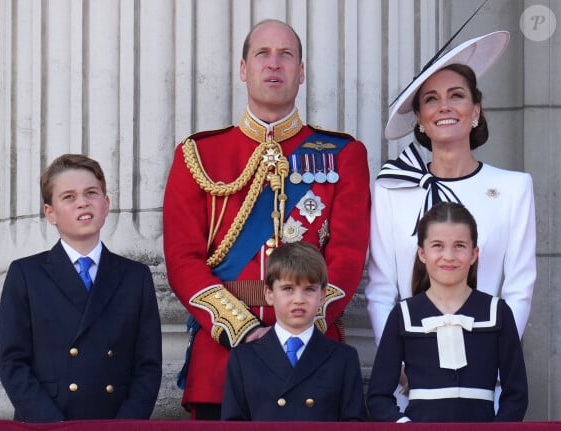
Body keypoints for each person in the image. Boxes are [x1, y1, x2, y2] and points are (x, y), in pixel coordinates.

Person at [163, 19, 370, 419]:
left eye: (286, 55)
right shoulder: (198, 154)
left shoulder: (344, 154)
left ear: (301, 72)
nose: (274, 64)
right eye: (262, 54)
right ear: (244, 70)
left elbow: (346, 256)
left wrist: (300, 328)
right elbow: (182, 259)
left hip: (313, 357)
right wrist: (242, 329)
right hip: (222, 356)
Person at [366, 30, 535, 348]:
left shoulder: (514, 188)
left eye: (456, 95)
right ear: (419, 118)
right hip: (409, 373)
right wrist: (396, 361)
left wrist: (496, 362)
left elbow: (518, 289)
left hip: (485, 365)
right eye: (431, 99)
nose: (444, 106)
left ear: (475, 110)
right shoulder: (391, 188)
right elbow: (380, 289)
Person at [0, 154, 162, 422]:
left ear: (106, 204)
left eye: (91, 193)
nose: (83, 202)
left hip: (114, 425)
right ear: (50, 213)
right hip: (47, 424)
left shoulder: (135, 277)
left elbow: (148, 366)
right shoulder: (26, 274)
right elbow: (13, 364)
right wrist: (53, 426)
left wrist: (124, 427)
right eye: (69, 197)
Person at [367, 202, 528, 422]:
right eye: (438, 246)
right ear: (422, 253)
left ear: (474, 254)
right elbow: (378, 397)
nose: (449, 256)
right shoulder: (403, 314)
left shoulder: (497, 312)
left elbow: (517, 394)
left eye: (459, 245)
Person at [221, 241, 367, 421]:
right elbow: (234, 424)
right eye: (288, 289)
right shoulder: (243, 358)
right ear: (269, 294)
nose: (299, 299)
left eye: (309, 289)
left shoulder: (343, 358)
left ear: (322, 296)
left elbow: (354, 423)